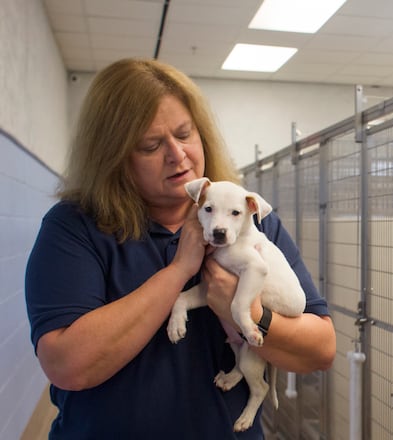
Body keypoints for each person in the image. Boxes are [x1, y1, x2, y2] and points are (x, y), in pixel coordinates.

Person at [25, 58, 336, 439]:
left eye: (185, 134)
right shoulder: (76, 227)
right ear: (114, 157)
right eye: (150, 145)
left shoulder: (249, 221)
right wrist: (178, 272)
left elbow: (320, 349)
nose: (177, 155)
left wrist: (252, 313)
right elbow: (68, 364)